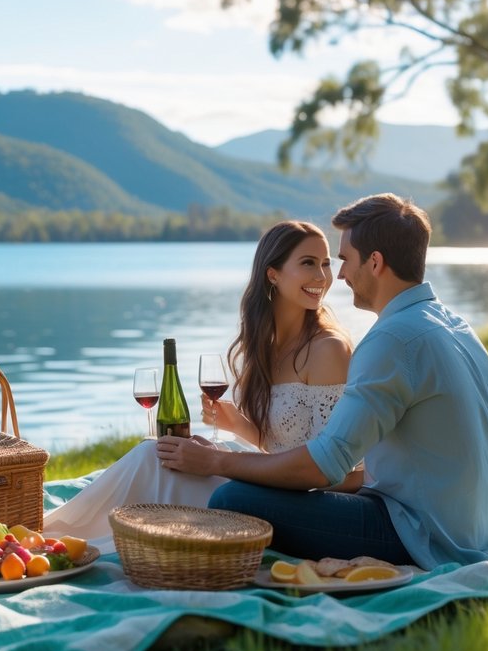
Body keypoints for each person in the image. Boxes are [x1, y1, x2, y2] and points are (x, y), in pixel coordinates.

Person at [158, 193, 488, 570]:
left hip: (424, 532)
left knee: (232, 501)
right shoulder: (452, 324)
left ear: (375, 262)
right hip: (486, 527)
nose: (340, 275)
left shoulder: (392, 340)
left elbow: (323, 467)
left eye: (344, 260)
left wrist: (217, 461)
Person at [42, 220, 353, 547]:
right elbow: (285, 445)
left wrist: (222, 462)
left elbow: (330, 468)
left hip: (294, 503)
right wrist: (240, 426)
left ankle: (53, 537)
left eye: (326, 263)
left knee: (156, 460)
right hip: (272, 483)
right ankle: (55, 534)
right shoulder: (270, 345)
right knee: (159, 453)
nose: (322, 276)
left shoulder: (326, 350)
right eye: (308, 263)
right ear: (272, 273)